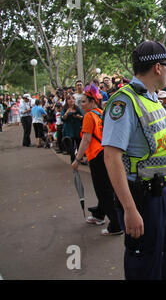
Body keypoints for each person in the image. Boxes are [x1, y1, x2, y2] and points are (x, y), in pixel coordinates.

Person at [102, 40, 166, 280]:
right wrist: (129, 208)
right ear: (157, 67)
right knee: (144, 265)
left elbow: (157, 149)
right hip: (142, 198)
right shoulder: (124, 102)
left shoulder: (153, 99)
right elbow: (111, 157)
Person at [72, 87, 123, 236]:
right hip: (106, 153)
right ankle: (99, 215)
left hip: (97, 156)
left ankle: (116, 224)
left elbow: (86, 139)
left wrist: (77, 159)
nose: (81, 105)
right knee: (107, 187)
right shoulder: (102, 113)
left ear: (92, 101)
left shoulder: (88, 116)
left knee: (103, 191)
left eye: (83, 102)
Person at [61, 93, 84, 162]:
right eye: (69, 99)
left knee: (79, 144)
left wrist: (79, 117)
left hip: (77, 128)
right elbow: (62, 119)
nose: (71, 100)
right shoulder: (64, 109)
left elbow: (83, 117)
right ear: (66, 101)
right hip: (68, 129)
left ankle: (80, 158)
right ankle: (73, 158)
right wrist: (67, 113)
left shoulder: (77, 108)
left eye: (73, 98)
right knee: (70, 144)